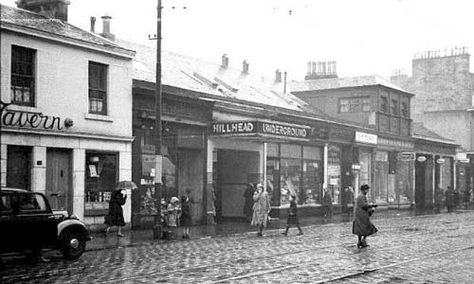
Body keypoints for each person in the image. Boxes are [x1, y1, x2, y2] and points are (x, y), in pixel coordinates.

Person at [352, 184, 378, 248]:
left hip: (360, 215)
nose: (367, 191)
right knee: (368, 228)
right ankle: (362, 241)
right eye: (367, 190)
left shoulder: (361, 195)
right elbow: (364, 205)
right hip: (362, 216)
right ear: (364, 190)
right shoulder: (361, 196)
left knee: (361, 229)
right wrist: (372, 206)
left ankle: (360, 241)